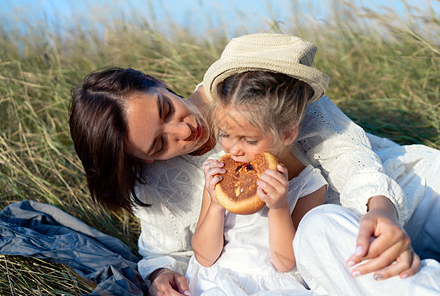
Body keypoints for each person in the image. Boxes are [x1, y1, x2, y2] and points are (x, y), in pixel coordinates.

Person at [69, 33, 440, 295]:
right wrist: (162, 275)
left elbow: (349, 156)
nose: (182, 129)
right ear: (143, 160)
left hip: (403, 188)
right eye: (158, 144)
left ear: (157, 81)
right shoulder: (158, 182)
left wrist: (384, 210)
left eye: (166, 109)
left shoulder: (251, 82)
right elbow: (166, 251)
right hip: (333, 251)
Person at [185, 70, 328, 295]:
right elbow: (204, 256)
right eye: (225, 134)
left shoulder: (309, 185)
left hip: (272, 285)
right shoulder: (219, 172)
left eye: (250, 140)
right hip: (216, 279)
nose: (233, 149)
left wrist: (279, 207)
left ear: (288, 134)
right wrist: (215, 204)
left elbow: (286, 263)